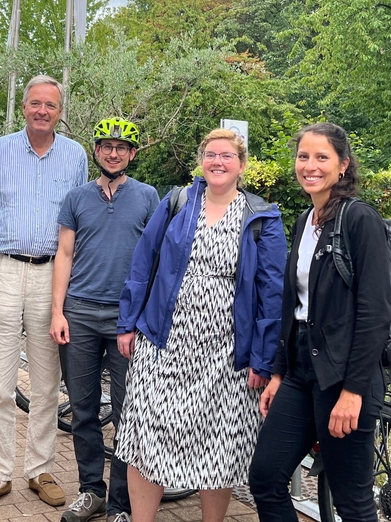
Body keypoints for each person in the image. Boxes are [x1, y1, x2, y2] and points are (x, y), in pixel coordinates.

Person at [116, 129, 287, 522]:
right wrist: (128, 323)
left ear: (242, 165)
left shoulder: (262, 218)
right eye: (211, 154)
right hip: (164, 339)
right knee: (148, 434)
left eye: (227, 156)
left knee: (218, 442)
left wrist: (263, 360)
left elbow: (271, 294)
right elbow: (143, 262)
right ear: (201, 160)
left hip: (226, 350)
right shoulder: (177, 202)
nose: (218, 162)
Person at [248, 123, 391, 521]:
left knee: (352, 502)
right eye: (303, 156)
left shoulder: (360, 220)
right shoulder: (305, 221)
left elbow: (376, 313)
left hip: (343, 374)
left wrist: (353, 391)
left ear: (343, 165)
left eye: (321, 157)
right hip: (300, 370)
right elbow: (292, 304)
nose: (310, 166)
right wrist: (278, 373)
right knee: (265, 477)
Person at [0, 74, 88, 512]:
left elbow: (76, 221)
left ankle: (39, 469)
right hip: (0, 269)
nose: (42, 111)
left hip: (50, 275)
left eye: (50, 106)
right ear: (24, 107)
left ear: (60, 111)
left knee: (46, 382)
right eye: (35, 103)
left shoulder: (75, 156)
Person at [51, 118, 159, 522]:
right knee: (83, 409)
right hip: (78, 312)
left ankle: (121, 504)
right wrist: (57, 311)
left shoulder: (149, 197)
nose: (113, 152)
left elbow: (158, 259)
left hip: (126, 319)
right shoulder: (76, 197)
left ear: (132, 154)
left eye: (122, 147)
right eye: (106, 146)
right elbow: (64, 254)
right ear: (96, 151)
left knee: (129, 414)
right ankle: (91, 491)